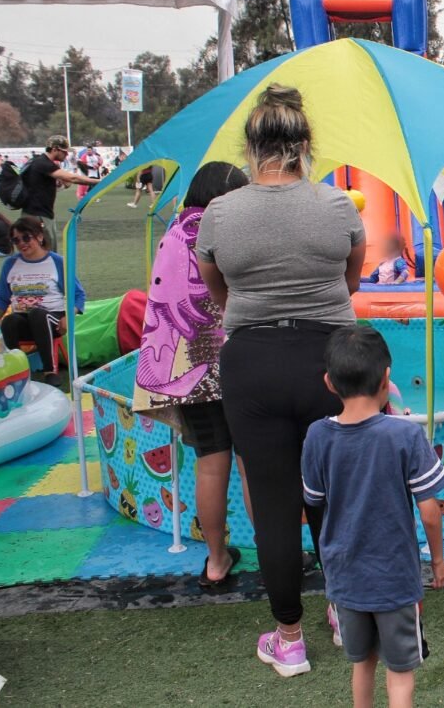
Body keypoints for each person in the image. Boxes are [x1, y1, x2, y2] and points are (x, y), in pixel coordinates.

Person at [196, 84, 367, 675]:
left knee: (274, 503)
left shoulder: (221, 212)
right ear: (305, 145)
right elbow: (351, 280)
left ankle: (288, 638)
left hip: (252, 361)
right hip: (328, 359)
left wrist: (254, 308)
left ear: (251, 146)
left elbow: (218, 289)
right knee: (333, 494)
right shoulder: (338, 205)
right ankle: (344, 612)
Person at [302, 325, 444, 707]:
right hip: (395, 577)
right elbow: (431, 513)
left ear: (329, 383)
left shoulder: (317, 436)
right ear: (386, 379)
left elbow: (312, 501)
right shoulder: (405, 436)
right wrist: (437, 560)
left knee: (361, 663)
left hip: (344, 576)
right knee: (400, 674)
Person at [133, 162, 251, 590]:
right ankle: (280, 555)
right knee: (252, 462)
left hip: (184, 371)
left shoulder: (173, 233)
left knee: (211, 465)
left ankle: (217, 560)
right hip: (237, 362)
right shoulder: (225, 230)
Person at [0, 217, 86, 388]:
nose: (21, 243)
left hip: (53, 320)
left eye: (26, 237)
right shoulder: (10, 263)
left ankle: (50, 370)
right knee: (9, 320)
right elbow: (2, 297)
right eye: (16, 240)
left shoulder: (57, 262)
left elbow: (79, 295)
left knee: (37, 314)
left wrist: (68, 316)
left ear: (40, 237)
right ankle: (17, 371)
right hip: (22, 318)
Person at [20, 136, 100, 251]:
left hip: (42, 214)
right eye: (64, 152)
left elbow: (66, 184)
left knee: (47, 251)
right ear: (55, 149)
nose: (66, 155)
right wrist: (100, 181)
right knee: (44, 253)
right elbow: (72, 179)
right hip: (37, 215)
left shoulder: (43, 163)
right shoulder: (43, 163)